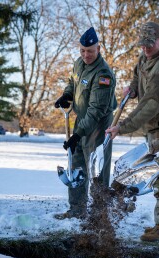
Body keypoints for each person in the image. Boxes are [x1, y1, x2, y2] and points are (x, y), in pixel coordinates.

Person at [106, 21, 159, 242]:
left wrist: (123, 126)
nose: (146, 49)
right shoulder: (146, 57)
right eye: (143, 45)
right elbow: (138, 76)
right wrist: (133, 87)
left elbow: (150, 105)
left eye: (150, 44)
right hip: (152, 125)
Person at [54, 27, 117, 220]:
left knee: (96, 169)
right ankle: (77, 210)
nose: (85, 55)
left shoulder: (103, 74)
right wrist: (67, 95)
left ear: (98, 48)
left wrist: (77, 135)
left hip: (98, 126)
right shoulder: (78, 64)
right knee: (76, 163)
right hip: (82, 120)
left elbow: (96, 111)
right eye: (82, 50)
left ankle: (100, 216)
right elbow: (72, 83)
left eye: (90, 51)